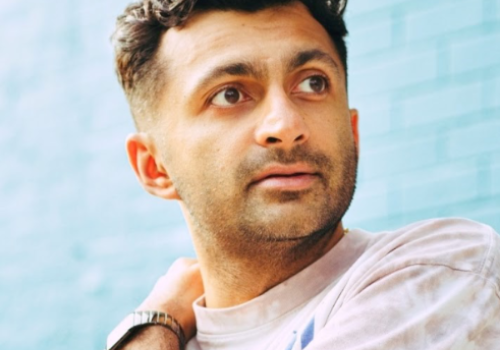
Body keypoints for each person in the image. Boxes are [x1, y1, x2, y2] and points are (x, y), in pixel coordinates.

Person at [106, 0, 500, 349]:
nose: (286, 123)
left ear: (352, 132)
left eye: (313, 83)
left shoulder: (442, 274)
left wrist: (152, 323)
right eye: (229, 94)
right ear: (155, 167)